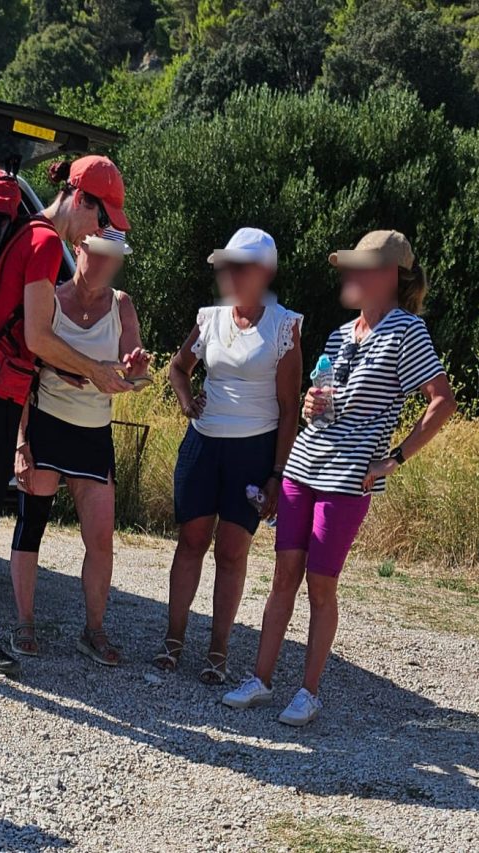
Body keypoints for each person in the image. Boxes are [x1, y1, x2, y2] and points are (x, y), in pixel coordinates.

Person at [0, 156, 136, 679]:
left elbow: (25, 336)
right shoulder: (42, 242)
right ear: (79, 199)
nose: (99, 232)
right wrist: (94, 370)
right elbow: (38, 335)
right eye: (101, 218)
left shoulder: (30, 233)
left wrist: (71, 369)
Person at [223, 230, 456, 725]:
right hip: (303, 466)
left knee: (320, 583)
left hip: (349, 478)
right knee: (283, 575)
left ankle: (308, 692)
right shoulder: (339, 334)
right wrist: (314, 405)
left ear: (388, 274)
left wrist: (394, 459)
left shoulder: (407, 331)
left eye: (358, 267)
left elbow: (442, 400)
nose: (347, 275)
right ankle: (260, 680)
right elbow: (326, 408)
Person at [154, 228, 303, 684]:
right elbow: (178, 368)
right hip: (203, 444)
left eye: (241, 268)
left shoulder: (284, 326)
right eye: (229, 268)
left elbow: (290, 408)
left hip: (254, 449)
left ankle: (218, 651)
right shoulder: (210, 318)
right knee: (192, 540)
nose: (232, 276)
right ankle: (173, 641)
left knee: (232, 551)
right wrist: (186, 403)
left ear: (264, 273)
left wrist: (278, 473)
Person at [8, 227, 150, 667]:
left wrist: (136, 370)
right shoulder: (49, 299)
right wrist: (20, 443)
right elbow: (23, 373)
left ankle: (94, 631)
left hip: (93, 433)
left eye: (114, 256)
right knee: (31, 525)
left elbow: (136, 376)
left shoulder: (122, 305)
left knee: (101, 538)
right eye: (98, 253)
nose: (106, 264)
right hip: (46, 424)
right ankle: (24, 624)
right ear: (77, 249)